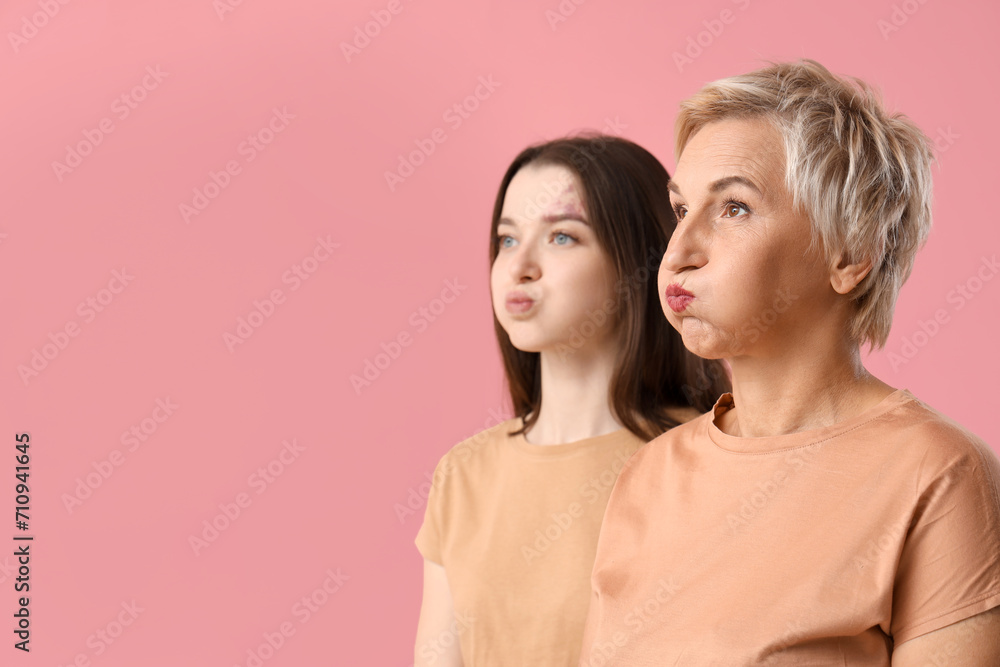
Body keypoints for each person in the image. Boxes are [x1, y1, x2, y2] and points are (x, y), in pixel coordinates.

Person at [579, 60, 1000, 666]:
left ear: (852, 251)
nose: (680, 251)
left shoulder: (939, 476)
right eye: (679, 210)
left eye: (734, 209)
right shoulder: (645, 477)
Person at [413, 135, 730, 666]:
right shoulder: (462, 476)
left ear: (638, 261)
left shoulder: (705, 460)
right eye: (507, 240)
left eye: (562, 237)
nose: (520, 267)